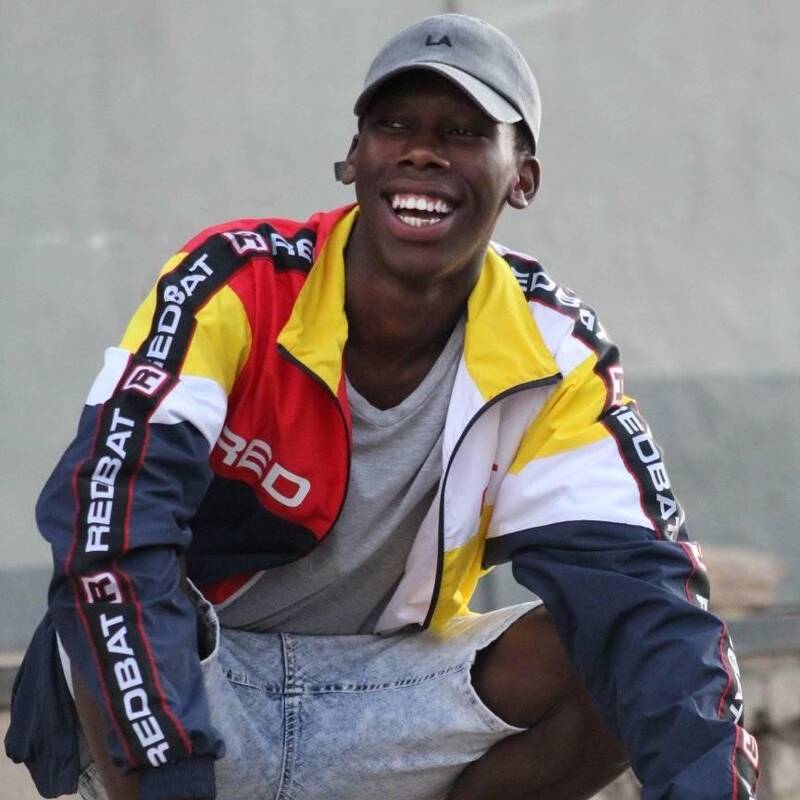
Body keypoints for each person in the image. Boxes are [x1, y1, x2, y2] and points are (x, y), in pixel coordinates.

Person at [6, 13, 760, 800]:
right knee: (105, 598)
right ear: (353, 156)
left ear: (523, 177)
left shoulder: (553, 351)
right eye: (394, 125)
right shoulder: (236, 284)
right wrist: (171, 777)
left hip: (378, 697)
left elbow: (650, 603)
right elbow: (110, 526)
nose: (422, 151)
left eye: (464, 132)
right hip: (200, 685)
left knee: (608, 654)